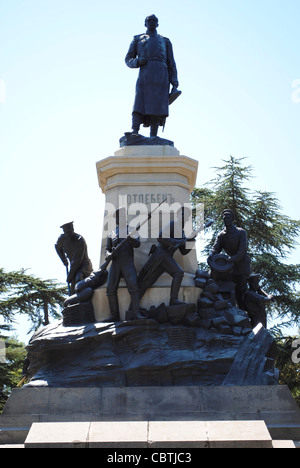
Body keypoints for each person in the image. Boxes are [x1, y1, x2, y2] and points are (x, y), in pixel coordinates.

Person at [125, 14, 179, 137]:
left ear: (158, 24)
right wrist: (138, 61)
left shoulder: (165, 41)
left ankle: (153, 135)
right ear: (145, 23)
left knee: (157, 105)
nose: (152, 22)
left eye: (154, 20)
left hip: (161, 75)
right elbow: (128, 59)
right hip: (145, 74)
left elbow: (172, 63)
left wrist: (174, 82)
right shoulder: (137, 39)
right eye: (149, 20)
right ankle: (135, 130)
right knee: (139, 102)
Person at [137, 207, 194, 306]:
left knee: (148, 282)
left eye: (186, 216)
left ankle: (133, 309)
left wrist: (192, 240)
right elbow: (161, 237)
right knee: (178, 272)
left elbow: (183, 251)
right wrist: (177, 241)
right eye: (182, 214)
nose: (184, 217)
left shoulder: (182, 232)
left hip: (166, 257)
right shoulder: (172, 224)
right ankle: (173, 300)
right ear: (178, 215)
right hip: (161, 254)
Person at [209, 209, 251, 309]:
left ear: (232, 219)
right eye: (224, 218)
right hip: (230, 266)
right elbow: (216, 248)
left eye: (228, 218)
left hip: (242, 265)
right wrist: (211, 254)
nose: (226, 220)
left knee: (242, 290)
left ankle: (243, 312)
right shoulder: (221, 235)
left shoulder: (241, 232)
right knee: (230, 288)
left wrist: (233, 259)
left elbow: (243, 250)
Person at [106, 207, 141, 321]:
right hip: (115, 263)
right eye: (118, 217)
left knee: (134, 287)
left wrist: (131, 238)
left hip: (127, 262)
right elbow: (107, 249)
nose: (120, 218)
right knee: (110, 289)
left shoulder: (131, 230)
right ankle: (114, 315)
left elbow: (137, 244)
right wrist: (108, 255)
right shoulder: (111, 233)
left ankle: (136, 313)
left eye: (122, 216)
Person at [55, 222, 93, 295]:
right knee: (73, 288)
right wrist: (64, 260)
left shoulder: (79, 240)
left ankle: (83, 301)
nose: (68, 234)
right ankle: (75, 303)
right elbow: (57, 247)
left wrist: (70, 275)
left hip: (83, 265)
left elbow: (77, 260)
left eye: (69, 231)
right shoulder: (62, 238)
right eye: (66, 232)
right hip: (74, 267)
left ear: (73, 229)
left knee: (78, 280)